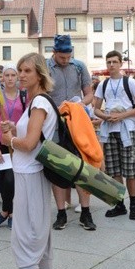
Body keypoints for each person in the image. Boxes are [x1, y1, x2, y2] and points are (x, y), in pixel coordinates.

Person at [0, 52, 58, 269]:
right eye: (19, 70)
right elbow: (31, 137)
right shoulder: (35, 101)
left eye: (26, 71)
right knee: (41, 241)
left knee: (25, 244)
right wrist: (15, 131)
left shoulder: (38, 102)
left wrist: (9, 139)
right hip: (33, 175)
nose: (21, 75)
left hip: (30, 176)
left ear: (39, 74)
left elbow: (30, 143)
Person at [46, 34, 94, 230]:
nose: (66, 60)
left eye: (68, 56)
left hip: (77, 124)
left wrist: (81, 104)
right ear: (54, 52)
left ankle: (86, 213)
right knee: (58, 169)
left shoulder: (79, 66)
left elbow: (89, 93)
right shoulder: (46, 68)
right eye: (62, 57)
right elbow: (40, 95)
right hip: (55, 125)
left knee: (83, 168)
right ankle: (61, 213)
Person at [93, 50, 135, 222]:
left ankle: (133, 204)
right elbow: (96, 108)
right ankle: (119, 204)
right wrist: (106, 116)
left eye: (115, 62)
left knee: (130, 170)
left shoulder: (129, 82)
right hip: (110, 130)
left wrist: (122, 116)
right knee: (114, 169)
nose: (111, 65)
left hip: (127, 128)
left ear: (121, 64)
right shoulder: (103, 84)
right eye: (109, 62)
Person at [0, 64, 25, 228]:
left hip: (18, 144)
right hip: (2, 145)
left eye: (13, 75)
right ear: (1, 78)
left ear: (17, 77)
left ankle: (7, 212)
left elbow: (27, 121)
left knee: (14, 179)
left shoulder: (24, 96)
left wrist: (14, 127)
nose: (10, 78)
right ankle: (8, 212)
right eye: (6, 75)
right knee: (6, 179)